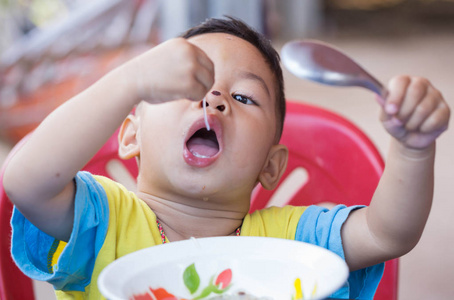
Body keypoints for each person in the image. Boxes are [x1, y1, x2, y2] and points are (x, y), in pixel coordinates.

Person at [2, 17, 450, 300]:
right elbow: (25, 180)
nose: (214, 99)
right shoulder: (102, 220)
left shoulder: (291, 242)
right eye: (186, 88)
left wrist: (413, 147)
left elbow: (388, 234)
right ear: (130, 135)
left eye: (243, 96)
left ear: (271, 167)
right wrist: (130, 82)